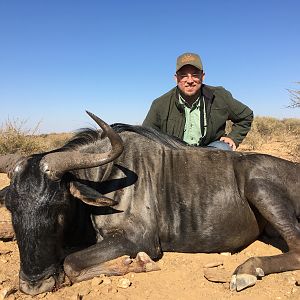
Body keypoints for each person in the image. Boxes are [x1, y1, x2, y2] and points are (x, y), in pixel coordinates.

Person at [143, 52, 253, 151]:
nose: (190, 80)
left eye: (195, 75)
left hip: (208, 152)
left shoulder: (219, 96)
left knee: (223, 147)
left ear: (202, 76)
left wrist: (233, 138)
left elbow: (246, 116)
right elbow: (144, 136)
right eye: (184, 76)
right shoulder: (160, 104)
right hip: (175, 155)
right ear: (176, 78)